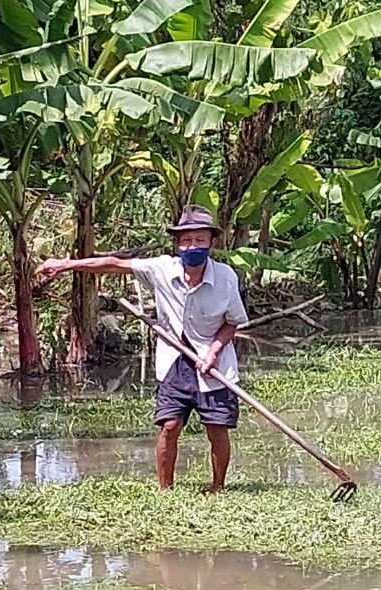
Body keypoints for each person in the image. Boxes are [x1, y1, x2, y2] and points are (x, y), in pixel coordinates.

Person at [36, 205, 249, 492]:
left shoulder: (225, 278)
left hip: (215, 362)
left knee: (217, 429)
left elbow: (232, 323)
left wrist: (213, 351)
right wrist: (66, 265)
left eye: (200, 240)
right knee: (170, 426)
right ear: (177, 244)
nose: (192, 246)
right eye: (186, 240)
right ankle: (165, 489)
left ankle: (218, 486)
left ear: (212, 242)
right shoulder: (161, 268)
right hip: (175, 360)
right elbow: (114, 264)